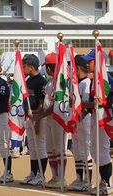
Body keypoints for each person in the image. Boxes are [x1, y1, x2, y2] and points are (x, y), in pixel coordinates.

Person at [80, 49, 112, 194]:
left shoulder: (108, 80)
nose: (87, 64)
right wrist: (85, 108)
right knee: (94, 151)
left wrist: (105, 102)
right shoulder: (93, 81)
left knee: (102, 150)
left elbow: (107, 102)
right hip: (95, 116)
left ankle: (107, 182)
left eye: (90, 61)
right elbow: (93, 103)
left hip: (105, 116)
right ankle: (103, 180)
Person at [33, 53, 67, 189]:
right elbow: (46, 103)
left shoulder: (61, 82)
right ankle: (54, 176)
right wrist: (37, 113)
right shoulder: (49, 83)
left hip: (58, 118)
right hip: (48, 118)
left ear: (49, 67)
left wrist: (41, 116)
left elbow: (56, 104)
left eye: (46, 66)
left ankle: (61, 178)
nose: (45, 69)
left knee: (59, 149)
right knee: (50, 149)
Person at [19, 54, 48, 186]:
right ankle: (33, 172)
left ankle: (41, 175)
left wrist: (38, 118)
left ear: (31, 67)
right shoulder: (27, 80)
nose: (22, 68)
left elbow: (42, 102)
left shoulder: (40, 81)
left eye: (24, 66)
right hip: (28, 116)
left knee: (40, 146)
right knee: (32, 147)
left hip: (37, 117)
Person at [67, 54, 92, 191]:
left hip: (84, 120)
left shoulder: (86, 83)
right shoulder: (75, 84)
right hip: (76, 121)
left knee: (84, 150)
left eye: (71, 67)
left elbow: (86, 105)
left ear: (76, 68)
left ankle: (88, 181)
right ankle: (79, 179)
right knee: (77, 150)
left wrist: (79, 117)